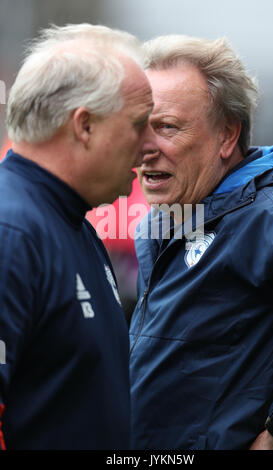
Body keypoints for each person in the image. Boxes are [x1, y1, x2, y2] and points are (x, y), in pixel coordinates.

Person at [129, 34, 273, 450]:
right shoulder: (163, 220)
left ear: (227, 136)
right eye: (137, 127)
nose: (145, 149)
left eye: (167, 127)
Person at [0, 23, 153, 450]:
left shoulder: (73, 222)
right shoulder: (11, 232)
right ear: (84, 126)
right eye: (139, 124)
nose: (149, 146)